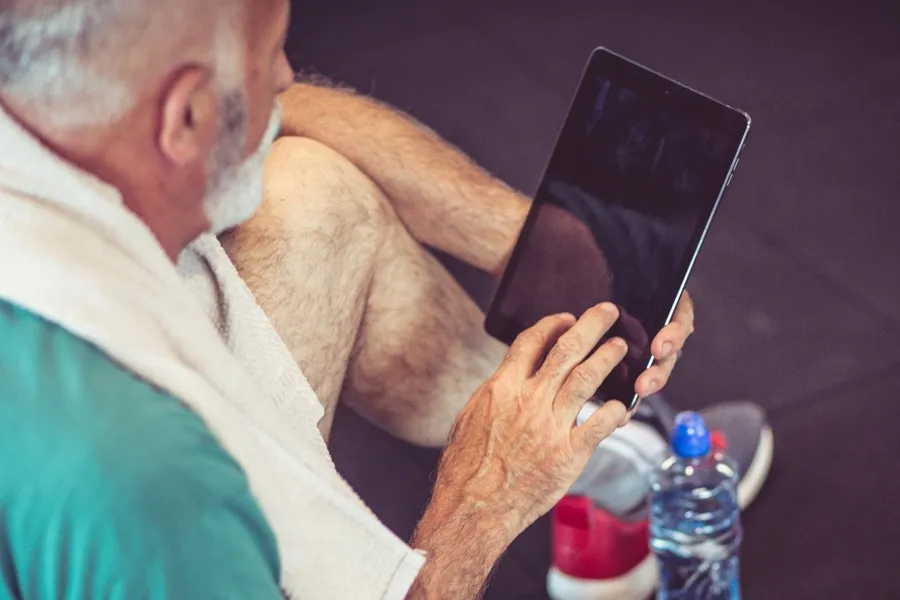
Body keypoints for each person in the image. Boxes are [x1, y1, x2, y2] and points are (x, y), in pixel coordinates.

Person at [0, 2, 771, 600]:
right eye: (271, 54)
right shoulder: (146, 473)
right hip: (157, 509)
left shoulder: (38, 107)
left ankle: (584, 438)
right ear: (187, 116)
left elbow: (292, 115)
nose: (287, 75)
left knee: (310, 200)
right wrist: (479, 507)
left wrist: (528, 235)